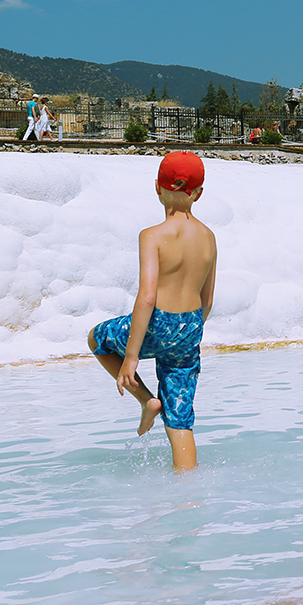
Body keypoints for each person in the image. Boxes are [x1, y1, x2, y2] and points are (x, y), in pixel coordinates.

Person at [87, 152, 218, 471]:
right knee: (180, 420)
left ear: (157, 188)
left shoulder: (152, 236)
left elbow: (147, 297)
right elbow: (208, 299)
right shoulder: (208, 238)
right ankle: (188, 497)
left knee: (96, 339)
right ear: (198, 193)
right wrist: (187, 335)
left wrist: (131, 357)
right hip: (190, 327)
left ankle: (146, 399)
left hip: (155, 323)